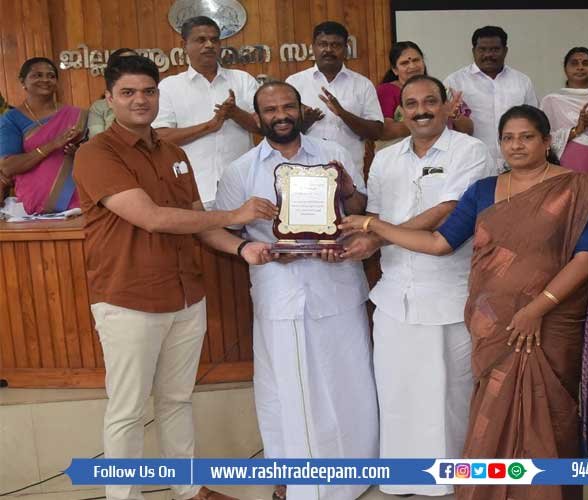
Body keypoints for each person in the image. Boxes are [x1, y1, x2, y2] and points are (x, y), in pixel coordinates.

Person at [341, 105, 588, 500]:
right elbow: (439, 242)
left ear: (546, 141)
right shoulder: (484, 190)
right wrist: (375, 225)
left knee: (548, 415)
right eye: (508, 138)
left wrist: (536, 309)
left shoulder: (577, 190)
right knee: (492, 414)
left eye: (527, 137)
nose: (517, 145)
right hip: (494, 325)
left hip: (551, 324)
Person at [73, 55, 275, 500]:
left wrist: (241, 247)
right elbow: (153, 218)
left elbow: (197, 220)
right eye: (128, 92)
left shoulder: (174, 153)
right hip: (129, 299)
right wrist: (236, 215)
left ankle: (187, 489)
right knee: (127, 410)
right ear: (109, 99)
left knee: (177, 400)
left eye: (148, 91)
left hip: (186, 295)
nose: (140, 100)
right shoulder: (96, 153)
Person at [214, 81, 378, 500]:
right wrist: (251, 248)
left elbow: (359, 209)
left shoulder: (333, 155)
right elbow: (221, 228)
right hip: (279, 291)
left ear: (301, 110)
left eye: (288, 106)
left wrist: (347, 191)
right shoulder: (240, 170)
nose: (281, 115)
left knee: (348, 380)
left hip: (336, 286)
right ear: (257, 118)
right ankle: (292, 479)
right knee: (284, 389)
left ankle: (354, 476)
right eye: (270, 110)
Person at [341, 75, 491, 496]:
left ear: (446, 106)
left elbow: (449, 210)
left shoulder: (470, 151)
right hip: (394, 296)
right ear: (401, 111)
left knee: (448, 394)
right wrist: (366, 226)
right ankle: (402, 478)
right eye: (411, 103)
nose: (421, 110)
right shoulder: (385, 158)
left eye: (430, 101)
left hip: (446, 294)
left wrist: (375, 235)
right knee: (397, 391)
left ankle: (449, 482)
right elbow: (375, 213)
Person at [153, 16, 260, 207]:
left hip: (245, 188)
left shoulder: (242, 80)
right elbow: (160, 137)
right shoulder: (169, 87)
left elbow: (262, 126)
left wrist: (235, 113)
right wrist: (209, 126)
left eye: (214, 39)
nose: (209, 45)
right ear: (184, 45)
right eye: (201, 40)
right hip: (194, 192)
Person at [286, 21, 383, 170]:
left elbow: (376, 132)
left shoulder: (362, 84)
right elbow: (283, 134)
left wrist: (343, 114)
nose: (328, 50)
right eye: (322, 44)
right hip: (305, 171)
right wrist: (306, 122)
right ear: (313, 48)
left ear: (346, 49)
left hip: (348, 171)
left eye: (336, 45)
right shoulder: (294, 83)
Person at [0, 57, 87, 214]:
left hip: (78, 203)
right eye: (37, 75)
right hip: (33, 207)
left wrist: (78, 153)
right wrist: (53, 144)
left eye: (51, 76)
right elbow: (8, 167)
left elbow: (93, 154)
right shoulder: (11, 119)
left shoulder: (78, 115)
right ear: (23, 81)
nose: (45, 80)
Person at [444, 26, 538, 170]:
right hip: (471, 163)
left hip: (516, 163)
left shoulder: (522, 81)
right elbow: (445, 125)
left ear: (505, 51)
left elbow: (533, 123)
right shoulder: (455, 82)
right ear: (473, 51)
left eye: (495, 49)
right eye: (482, 49)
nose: (488, 54)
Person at [376, 41, 473, 145]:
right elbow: (384, 131)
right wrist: (431, 122)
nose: (412, 66)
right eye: (405, 63)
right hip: (401, 153)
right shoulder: (387, 91)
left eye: (416, 60)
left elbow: (468, 130)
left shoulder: (442, 90)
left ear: (423, 62)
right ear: (395, 70)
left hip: (446, 152)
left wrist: (454, 116)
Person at [540, 47, 588, 180]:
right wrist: (576, 130)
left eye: (585, 63)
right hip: (568, 163)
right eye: (574, 63)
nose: (580, 67)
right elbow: (542, 139)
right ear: (565, 69)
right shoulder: (551, 101)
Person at [87, 48, 137, 137]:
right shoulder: (99, 107)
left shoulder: (149, 101)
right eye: (124, 62)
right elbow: (97, 139)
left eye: (134, 61)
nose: (129, 66)